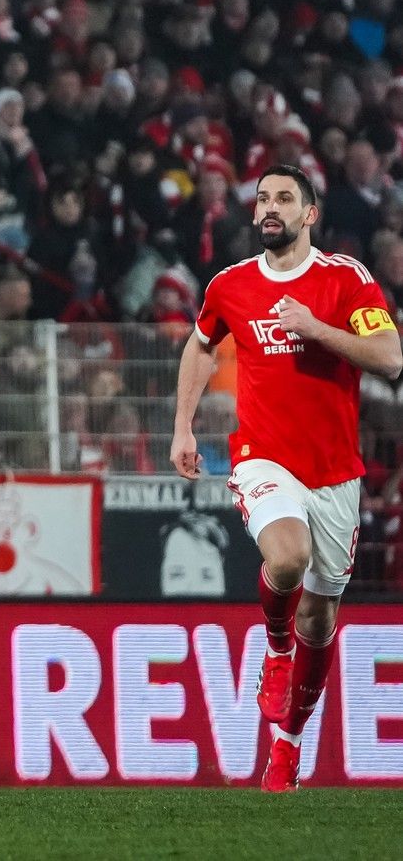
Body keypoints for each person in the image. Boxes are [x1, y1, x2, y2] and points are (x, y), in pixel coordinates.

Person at [171, 164, 400, 792]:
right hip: (263, 457)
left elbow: (391, 358)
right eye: (263, 199)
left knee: (320, 620)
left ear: (310, 214)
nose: (270, 207)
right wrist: (183, 427)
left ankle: (289, 744)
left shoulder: (346, 279)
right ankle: (275, 647)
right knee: (288, 557)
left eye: (284, 199)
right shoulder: (231, 285)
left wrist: (316, 328)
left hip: (335, 473)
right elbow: (201, 345)